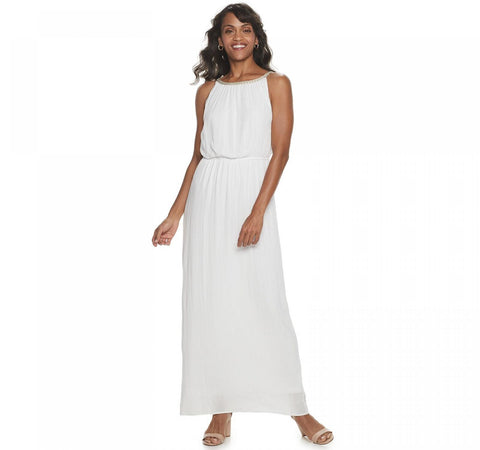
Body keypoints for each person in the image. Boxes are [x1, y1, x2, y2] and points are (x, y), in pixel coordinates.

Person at [152, 3, 334, 446]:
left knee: (263, 301)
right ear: (219, 40)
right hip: (208, 201)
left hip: (250, 195)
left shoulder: (276, 83)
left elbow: (281, 152)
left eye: (246, 30)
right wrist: (175, 213)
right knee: (213, 304)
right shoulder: (207, 91)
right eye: (229, 30)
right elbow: (197, 156)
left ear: (256, 37)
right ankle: (220, 410)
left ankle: (298, 409)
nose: (238, 37)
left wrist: (257, 212)